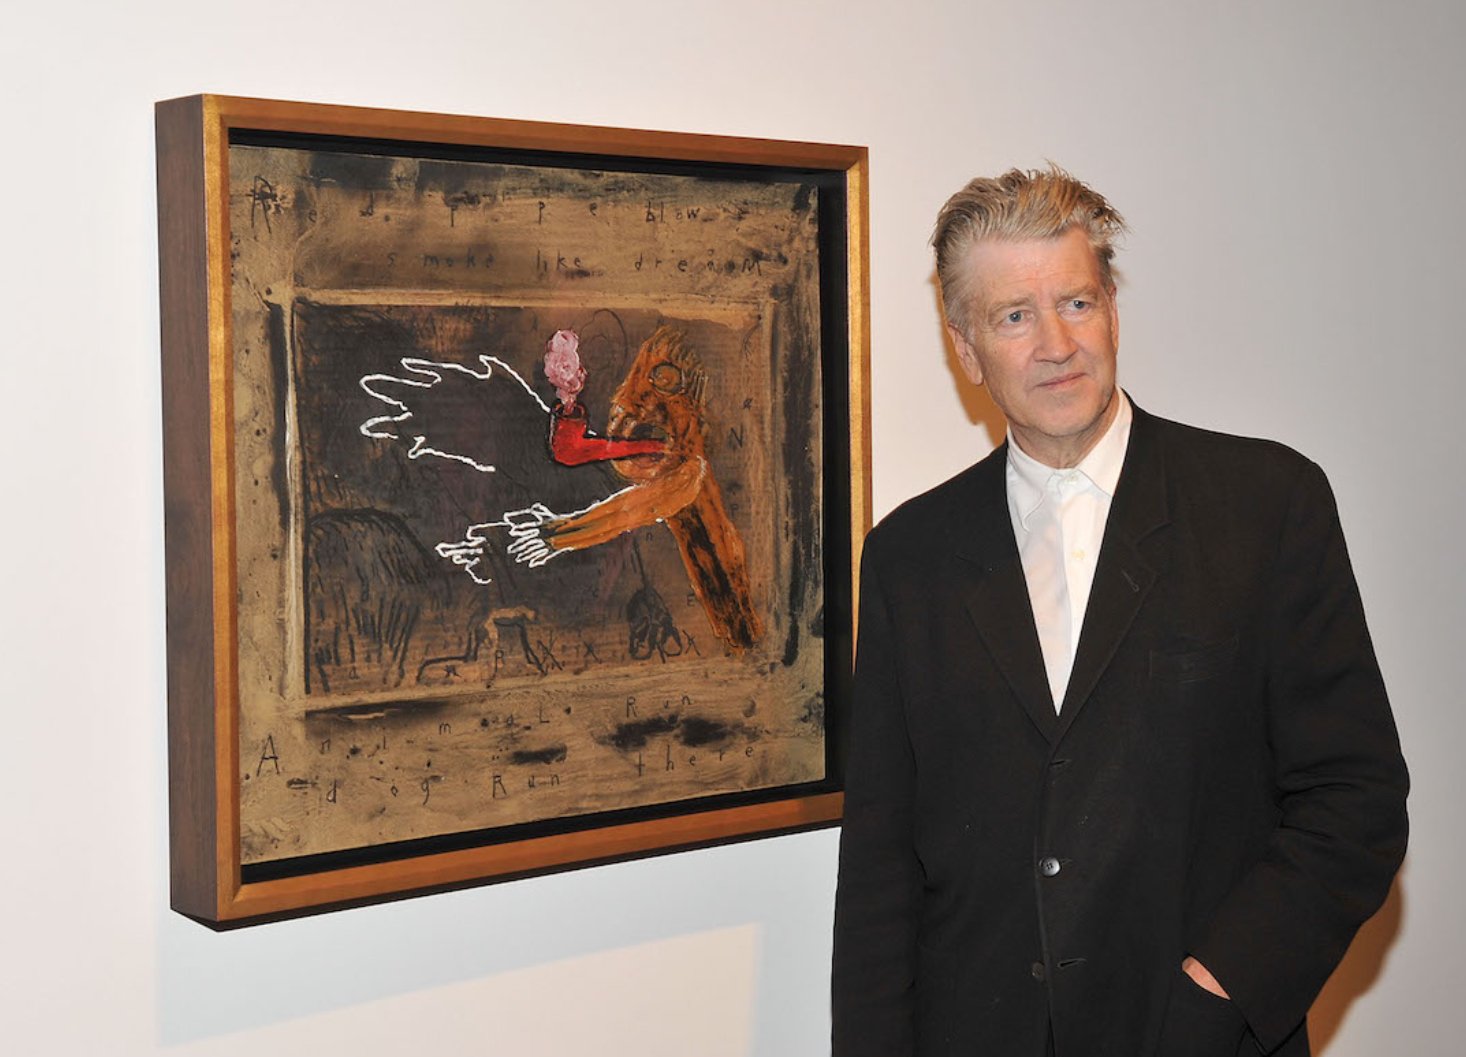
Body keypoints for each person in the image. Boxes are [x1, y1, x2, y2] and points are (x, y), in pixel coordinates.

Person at [830, 166, 1408, 1057]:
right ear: (965, 349)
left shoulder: (1266, 505)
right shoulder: (908, 556)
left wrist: (1217, 994)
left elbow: (1355, 800)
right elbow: (880, 866)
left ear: (1111, 309)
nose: (1056, 344)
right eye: (1014, 316)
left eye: (1077, 302)